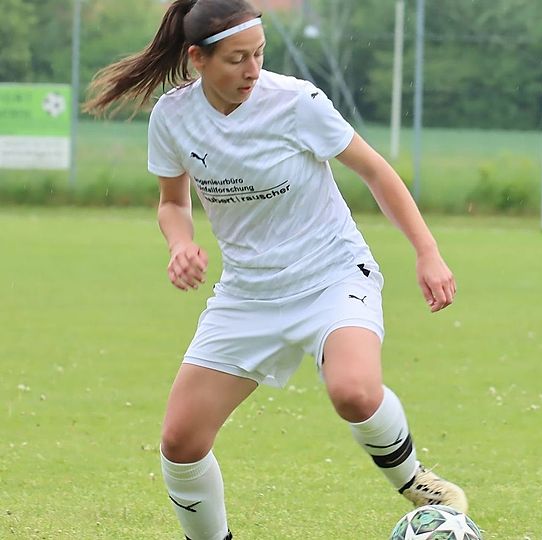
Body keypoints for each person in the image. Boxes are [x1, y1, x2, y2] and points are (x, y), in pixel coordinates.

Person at [83, 1, 466, 538]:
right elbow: (173, 202)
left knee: (353, 391)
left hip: (331, 274)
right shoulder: (172, 117)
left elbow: (376, 172)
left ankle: (413, 480)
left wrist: (427, 252)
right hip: (247, 295)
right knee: (180, 442)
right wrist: (180, 243)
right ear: (197, 58)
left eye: (259, 54)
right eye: (237, 59)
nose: (253, 70)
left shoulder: (296, 102)